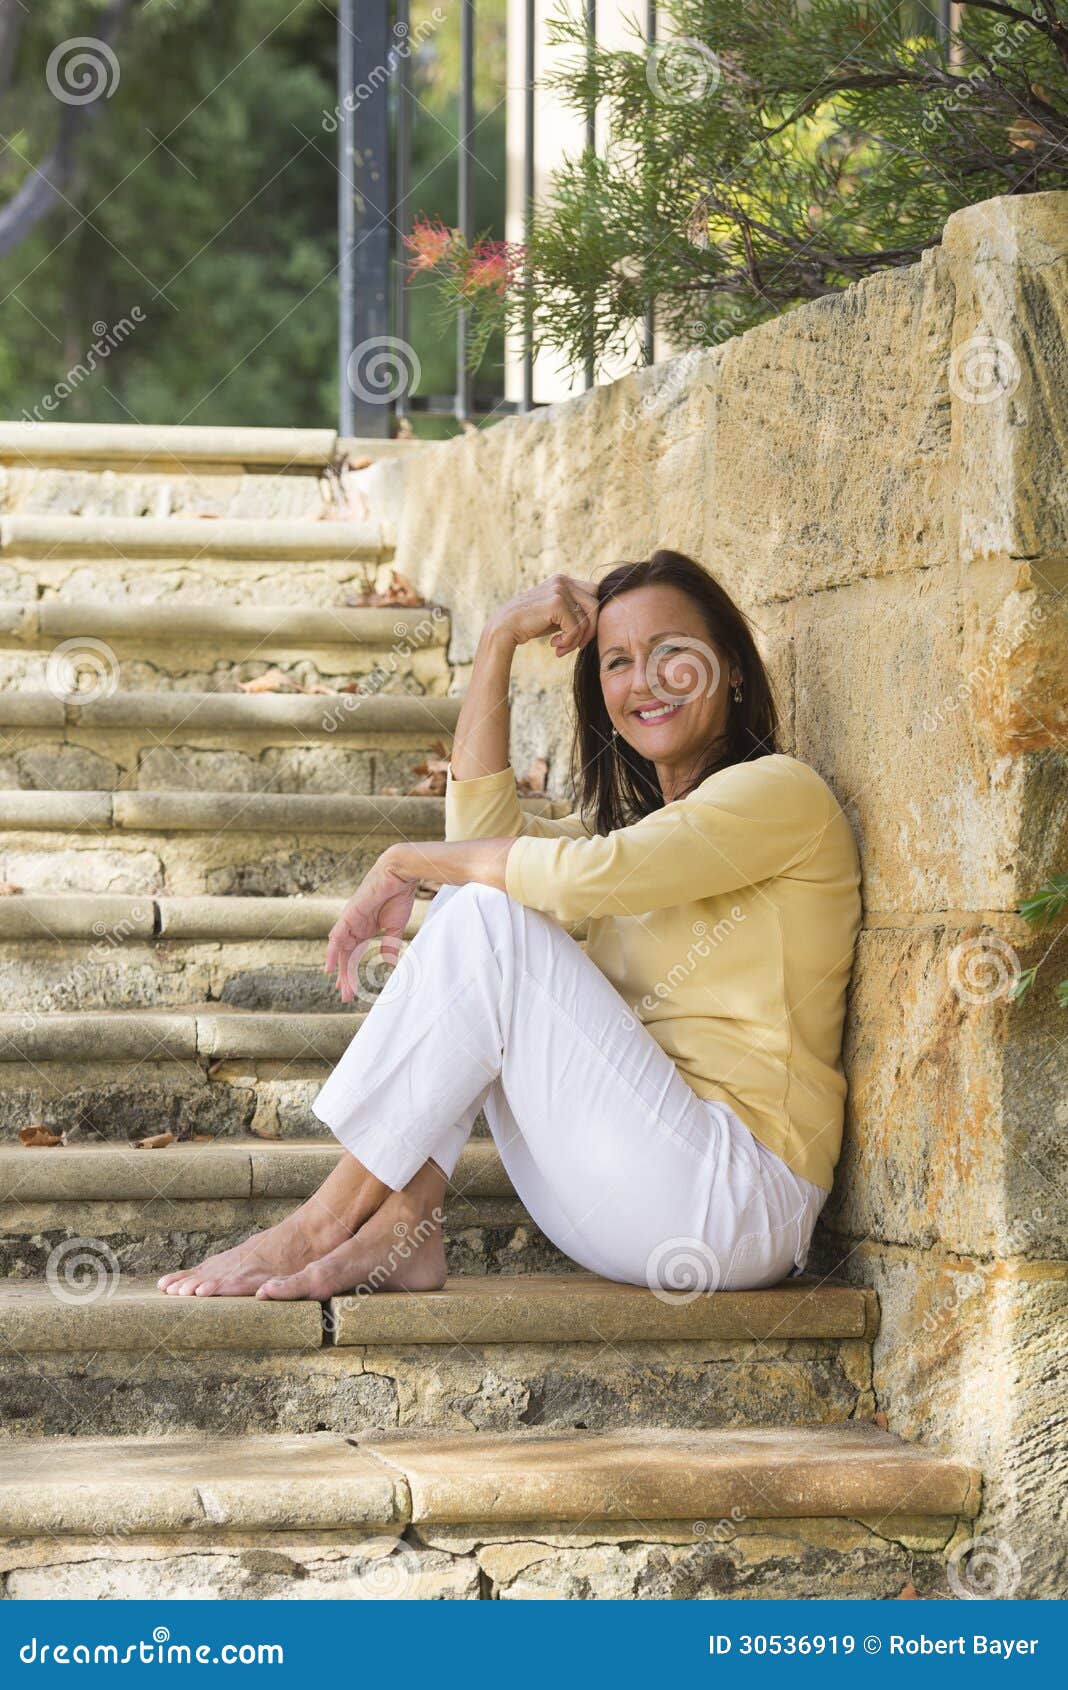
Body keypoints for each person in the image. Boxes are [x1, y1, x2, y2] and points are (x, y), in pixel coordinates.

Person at [158, 549, 861, 1303]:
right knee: (478, 899)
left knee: (490, 906)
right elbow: (483, 834)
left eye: (672, 653)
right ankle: (407, 1219)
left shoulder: (781, 793)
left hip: (739, 1198)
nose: (644, 681)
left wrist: (404, 861)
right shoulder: (649, 834)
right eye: (618, 661)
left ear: (735, 669)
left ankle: (326, 1222)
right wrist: (497, 640)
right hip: (630, 1187)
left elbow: (586, 873)